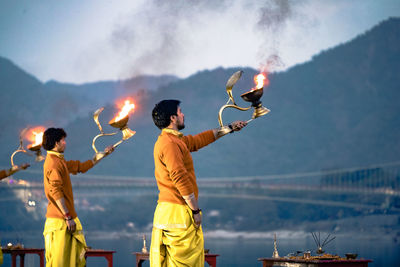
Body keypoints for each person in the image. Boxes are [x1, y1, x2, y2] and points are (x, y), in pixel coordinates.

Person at [150, 99, 247, 267]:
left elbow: (199, 140)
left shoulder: (173, 141)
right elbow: (179, 177)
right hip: (178, 211)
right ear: (173, 118)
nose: (183, 115)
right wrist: (195, 210)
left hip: (166, 212)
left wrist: (229, 127)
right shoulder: (170, 144)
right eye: (180, 112)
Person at [41, 128, 113, 267]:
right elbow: (56, 191)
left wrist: (103, 154)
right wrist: (67, 217)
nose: (65, 143)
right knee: (60, 263)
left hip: (62, 221)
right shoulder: (54, 163)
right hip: (60, 222)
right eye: (63, 140)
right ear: (56, 143)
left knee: (71, 261)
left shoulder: (58, 160)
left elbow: (81, 166)